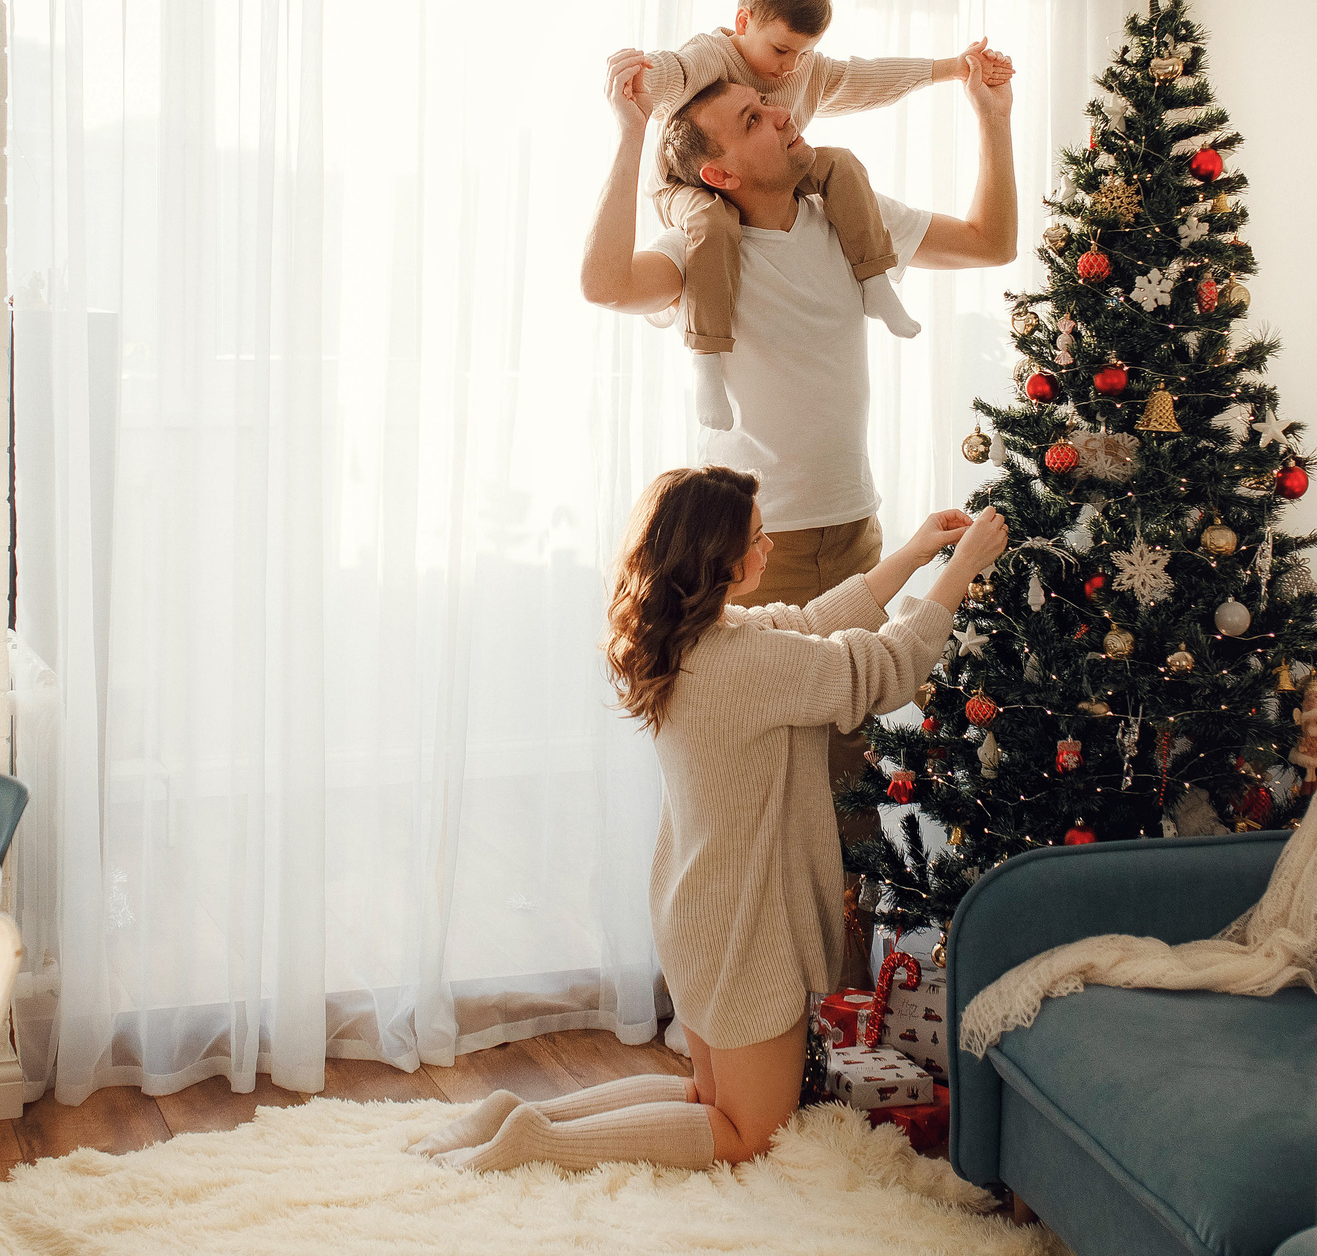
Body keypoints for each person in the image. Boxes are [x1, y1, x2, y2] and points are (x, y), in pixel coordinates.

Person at [413, 465, 1009, 1171]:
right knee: (748, 1132)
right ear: (716, 559)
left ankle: (517, 1113)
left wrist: (912, 554)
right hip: (747, 929)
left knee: (706, 1095)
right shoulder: (746, 661)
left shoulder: (689, 640)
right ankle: (543, 1142)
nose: (766, 548)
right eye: (755, 540)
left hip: (696, 908)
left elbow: (808, 624)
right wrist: (962, 569)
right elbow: (883, 665)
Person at [581, 34, 1020, 988]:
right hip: (756, 558)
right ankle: (732, 1000)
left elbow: (992, 242)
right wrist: (626, 136)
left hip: (857, 536)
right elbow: (605, 284)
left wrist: (992, 119)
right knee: (756, 796)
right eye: (752, 117)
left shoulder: (847, 220)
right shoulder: (707, 250)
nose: (783, 111)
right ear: (719, 171)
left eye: (768, 104)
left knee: (852, 799)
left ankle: (843, 1010)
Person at [631, 0, 1012, 429]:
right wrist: (640, 77)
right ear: (742, 22)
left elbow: (868, 78)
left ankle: (876, 281)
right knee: (713, 222)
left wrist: (954, 69)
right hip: (683, 189)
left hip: (851, 493)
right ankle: (706, 360)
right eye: (780, 50)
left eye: (803, 54)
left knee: (843, 163)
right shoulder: (710, 57)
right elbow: (675, 72)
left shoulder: (806, 84)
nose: (790, 71)